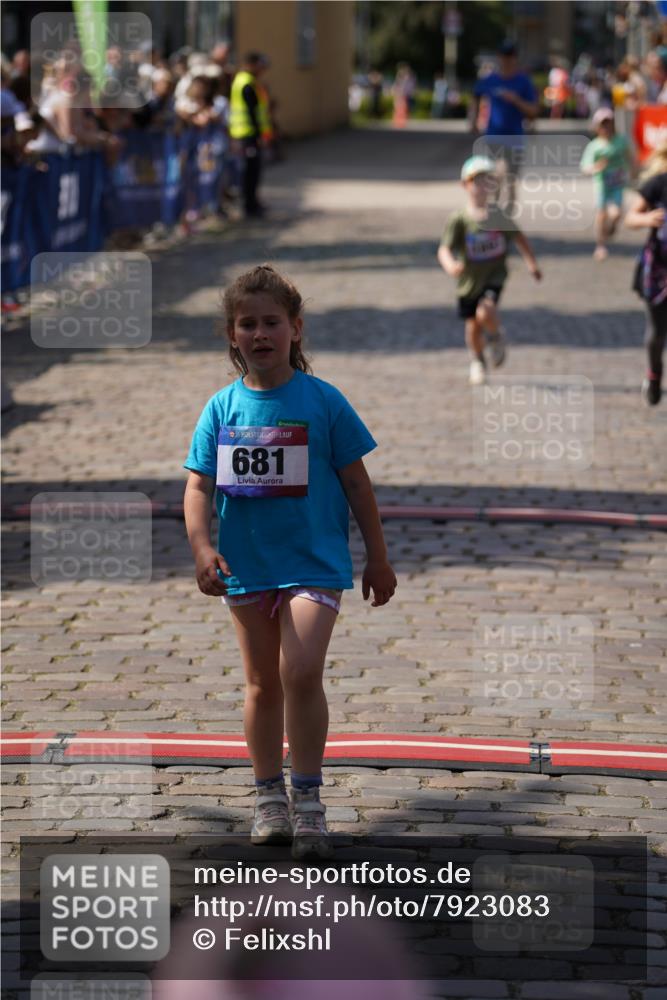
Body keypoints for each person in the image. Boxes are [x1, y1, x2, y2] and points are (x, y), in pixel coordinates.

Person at [183, 265, 397, 858]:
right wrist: (203, 547)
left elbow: (358, 484)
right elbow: (198, 487)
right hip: (247, 569)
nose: (259, 333)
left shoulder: (325, 401)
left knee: (299, 673)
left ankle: (309, 799)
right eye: (247, 323)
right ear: (231, 335)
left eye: (271, 322)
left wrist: (377, 558)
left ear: (296, 329)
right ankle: (267, 794)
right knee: (260, 685)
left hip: (314, 564)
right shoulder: (221, 409)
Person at [437, 155, 542, 386]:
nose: (482, 187)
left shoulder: (499, 216)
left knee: (486, 310)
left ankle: (495, 337)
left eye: (488, 181)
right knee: (472, 327)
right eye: (477, 181)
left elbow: (519, 239)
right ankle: (477, 360)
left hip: (494, 276)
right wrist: (451, 265)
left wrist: (531, 263)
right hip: (468, 281)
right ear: (465, 185)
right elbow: (444, 249)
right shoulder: (459, 219)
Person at [470, 40, 538, 213]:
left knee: (511, 181)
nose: (507, 60)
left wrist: (516, 100)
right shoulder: (491, 79)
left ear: (515, 58)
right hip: (494, 136)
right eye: (504, 56)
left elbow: (533, 110)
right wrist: (473, 120)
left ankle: (507, 221)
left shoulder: (523, 81)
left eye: (510, 56)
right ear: (499, 58)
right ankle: (494, 216)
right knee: (495, 176)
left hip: (515, 137)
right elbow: (475, 95)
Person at [625, 140, 667, 406]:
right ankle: (654, 374)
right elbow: (631, 217)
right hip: (659, 270)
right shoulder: (659, 184)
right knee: (657, 332)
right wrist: (646, 219)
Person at [580, 106, 635, 261]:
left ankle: (610, 229)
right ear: (597, 126)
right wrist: (596, 168)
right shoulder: (594, 146)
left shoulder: (621, 140)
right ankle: (600, 245)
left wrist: (634, 171)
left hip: (617, 183)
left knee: (616, 213)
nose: (606, 127)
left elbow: (630, 156)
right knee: (601, 215)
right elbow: (585, 167)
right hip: (602, 184)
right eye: (602, 124)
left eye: (608, 123)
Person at [229, 52, 269, 217]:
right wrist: (260, 135)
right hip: (247, 134)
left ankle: (252, 203)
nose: (263, 69)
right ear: (252, 65)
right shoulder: (246, 83)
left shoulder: (247, 81)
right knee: (250, 171)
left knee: (252, 171)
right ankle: (249, 206)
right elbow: (252, 112)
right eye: (260, 65)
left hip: (247, 134)